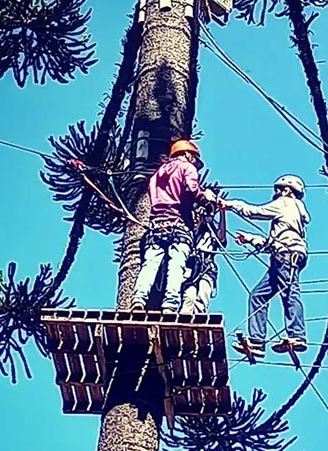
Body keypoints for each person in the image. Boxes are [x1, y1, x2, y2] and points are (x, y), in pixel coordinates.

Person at [220, 175, 309, 358]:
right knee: (258, 296)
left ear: (287, 190)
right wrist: (250, 239)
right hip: (282, 255)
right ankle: (257, 341)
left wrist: (230, 204)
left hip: (287, 255)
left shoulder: (286, 203)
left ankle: (297, 335)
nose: (275, 193)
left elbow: (255, 212)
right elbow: (273, 241)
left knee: (290, 292)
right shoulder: (292, 214)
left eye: (278, 189)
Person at [131, 139, 218, 312]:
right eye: (194, 158)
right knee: (176, 265)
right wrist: (205, 201)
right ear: (187, 154)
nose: (195, 163)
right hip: (178, 225)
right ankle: (170, 305)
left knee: (150, 264)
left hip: (156, 225)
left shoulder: (157, 174)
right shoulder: (187, 167)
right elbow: (193, 189)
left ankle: (138, 299)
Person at [180, 204, 224, 314]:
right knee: (188, 297)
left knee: (202, 297)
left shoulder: (210, 230)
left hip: (206, 267)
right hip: (191, 268)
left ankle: (196, 326)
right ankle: (184, 322)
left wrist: (223, 214)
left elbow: (221, 239)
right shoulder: (189, 231)